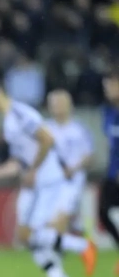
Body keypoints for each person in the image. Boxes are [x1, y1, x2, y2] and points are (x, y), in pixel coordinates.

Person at [0, 79, 97, 277]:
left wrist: (34, 169)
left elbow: (47, 139)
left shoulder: (20, 113)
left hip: (47, 181)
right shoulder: (8, 121)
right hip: (33, 183)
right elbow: (18, 163)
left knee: (37, 233)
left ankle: (81, 247)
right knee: (24, 236)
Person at [44, 90, 93, 235]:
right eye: (54, 104)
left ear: (70, 105)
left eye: (61, 103)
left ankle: (69, 239)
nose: (58, 107)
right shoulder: (45, 129)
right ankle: (74, 238)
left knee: (60, 217)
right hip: (50, 181)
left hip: (72, 180)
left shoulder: (79, 129)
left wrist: (72, 169)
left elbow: (89, 156)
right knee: (51, 220)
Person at [100, 70, 119, 274]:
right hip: (113, 172)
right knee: (104, 213)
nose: (108, 90)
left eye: (112, 86)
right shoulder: (107, 112)